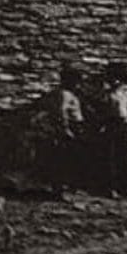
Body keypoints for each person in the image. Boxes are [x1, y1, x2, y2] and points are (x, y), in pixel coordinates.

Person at [40, 64, 86, 195]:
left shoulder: (69, 94)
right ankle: (60, 189)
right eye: (77, 82)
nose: (79, 85)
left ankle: (70, 188)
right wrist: (65, 129)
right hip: (69, 128)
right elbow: (61, 112)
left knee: (73, 159)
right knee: (64, 159)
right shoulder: (64, 95)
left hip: (75, 127)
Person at [98, 61, 127, 198]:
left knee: (125, 157)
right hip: (110, 125)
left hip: (123, 125)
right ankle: (111, 189)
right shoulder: (106, 95)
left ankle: (126, 189)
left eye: (119, 79)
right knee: (110, 157)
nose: (116, 82)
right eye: (113, 79)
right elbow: (101, 112)